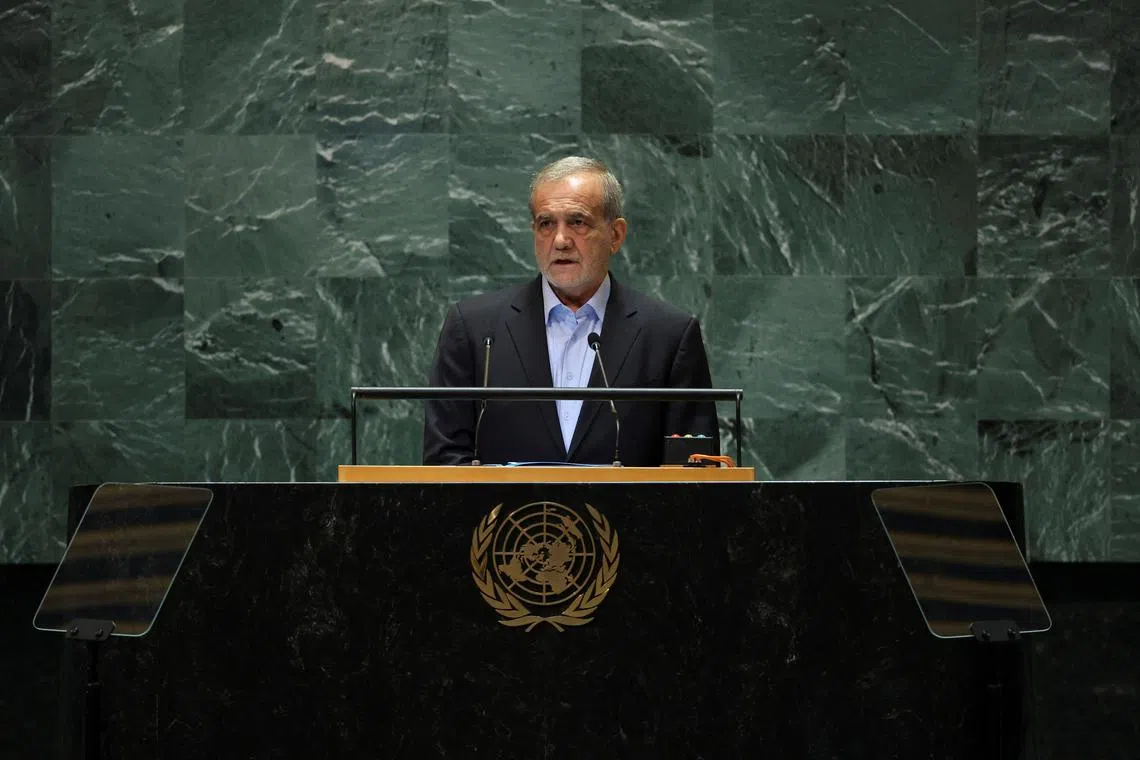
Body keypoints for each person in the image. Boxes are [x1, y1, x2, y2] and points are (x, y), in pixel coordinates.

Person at [422, 156, 718, 466]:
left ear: (616, 235)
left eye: (578, 222)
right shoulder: (474, 329)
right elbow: (443, 461)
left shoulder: (669, 336)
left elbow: (694, 472)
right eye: (546, 224)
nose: (560, 241)